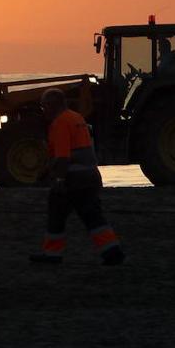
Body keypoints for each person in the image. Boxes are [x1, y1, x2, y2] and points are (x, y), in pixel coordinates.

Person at [29, 88, 125, 266]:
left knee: (56, 214)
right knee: (93, 217)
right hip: (90, 176)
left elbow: (63, 158)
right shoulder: (77, 118)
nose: (43, 111)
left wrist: (58, 180)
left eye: (44, 107)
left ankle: (52, 255)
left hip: (74, 179)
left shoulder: (60, 123)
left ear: (52, 105)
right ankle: (112, 252)